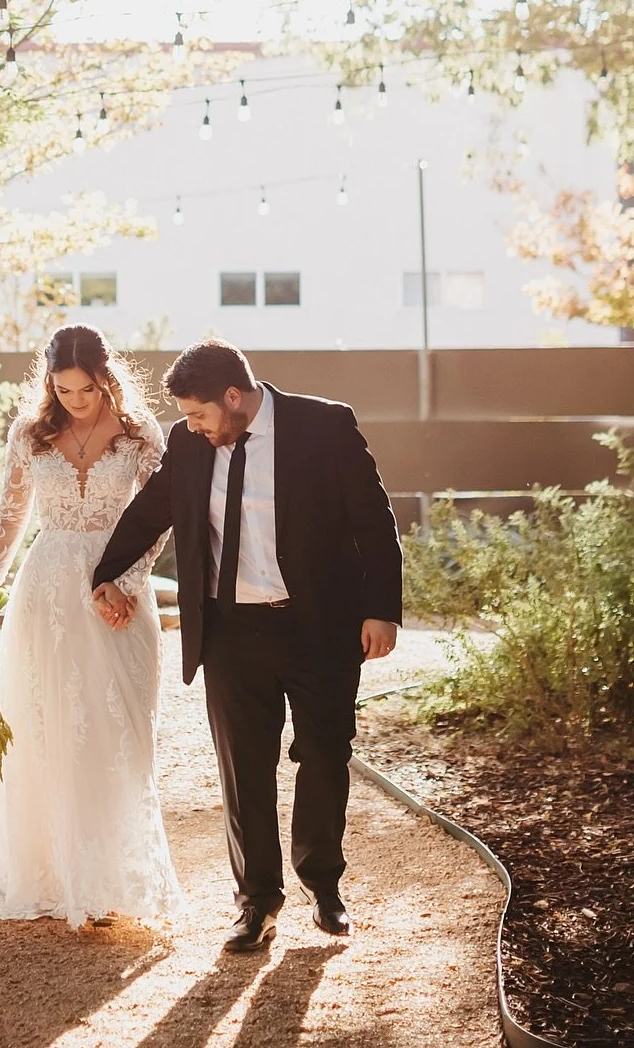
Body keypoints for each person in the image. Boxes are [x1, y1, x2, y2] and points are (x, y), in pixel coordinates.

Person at [91, 338, 401, 952]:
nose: (193, 426)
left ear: (234, 396)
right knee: (244, 769)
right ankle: (256, 901)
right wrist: (105, 570)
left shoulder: (325, 425)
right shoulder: (189, 443)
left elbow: (374, 519)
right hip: (231, 630)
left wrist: (381, 610)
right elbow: (154, 509)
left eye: (201, 413)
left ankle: (323, 884)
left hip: (320, 626)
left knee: (325, 752)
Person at [0, 324, 182, 928]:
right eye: (62, 389)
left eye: (85, 389)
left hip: (118, 587)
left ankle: (110, 875)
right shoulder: (31, 434)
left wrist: (130, 582)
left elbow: (162, 516)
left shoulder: (141, 434)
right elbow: (9, 515)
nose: (74, 401)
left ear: (107, 378)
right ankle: (52, 868)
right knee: (46, 725)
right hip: (47, 588)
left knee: (118, 728)